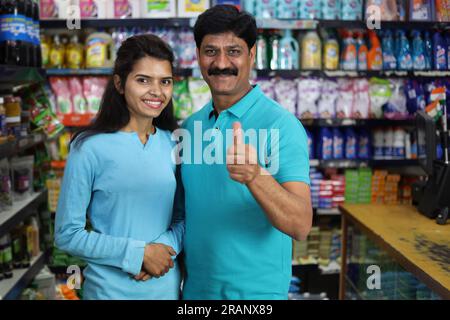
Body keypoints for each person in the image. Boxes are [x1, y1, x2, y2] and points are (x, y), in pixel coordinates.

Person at [179, 5, 313, 299]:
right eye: (211, 51)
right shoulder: (190, 127)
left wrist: (255, 175)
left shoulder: (282, 125)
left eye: (234, 51)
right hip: (196, 295)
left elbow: (301, 225)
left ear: (252, 55)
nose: (221, 62)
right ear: (198, 55)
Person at [54, 34, 185, 300]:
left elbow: (184, 218)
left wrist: (162, 248)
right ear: (119, 84)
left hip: (165, 287)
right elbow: (67, 234)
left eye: (165, 82)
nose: (156, 92)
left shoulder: (175, 143)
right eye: (143, 80)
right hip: (108, 292)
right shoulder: (88, 148)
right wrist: (138, 254)